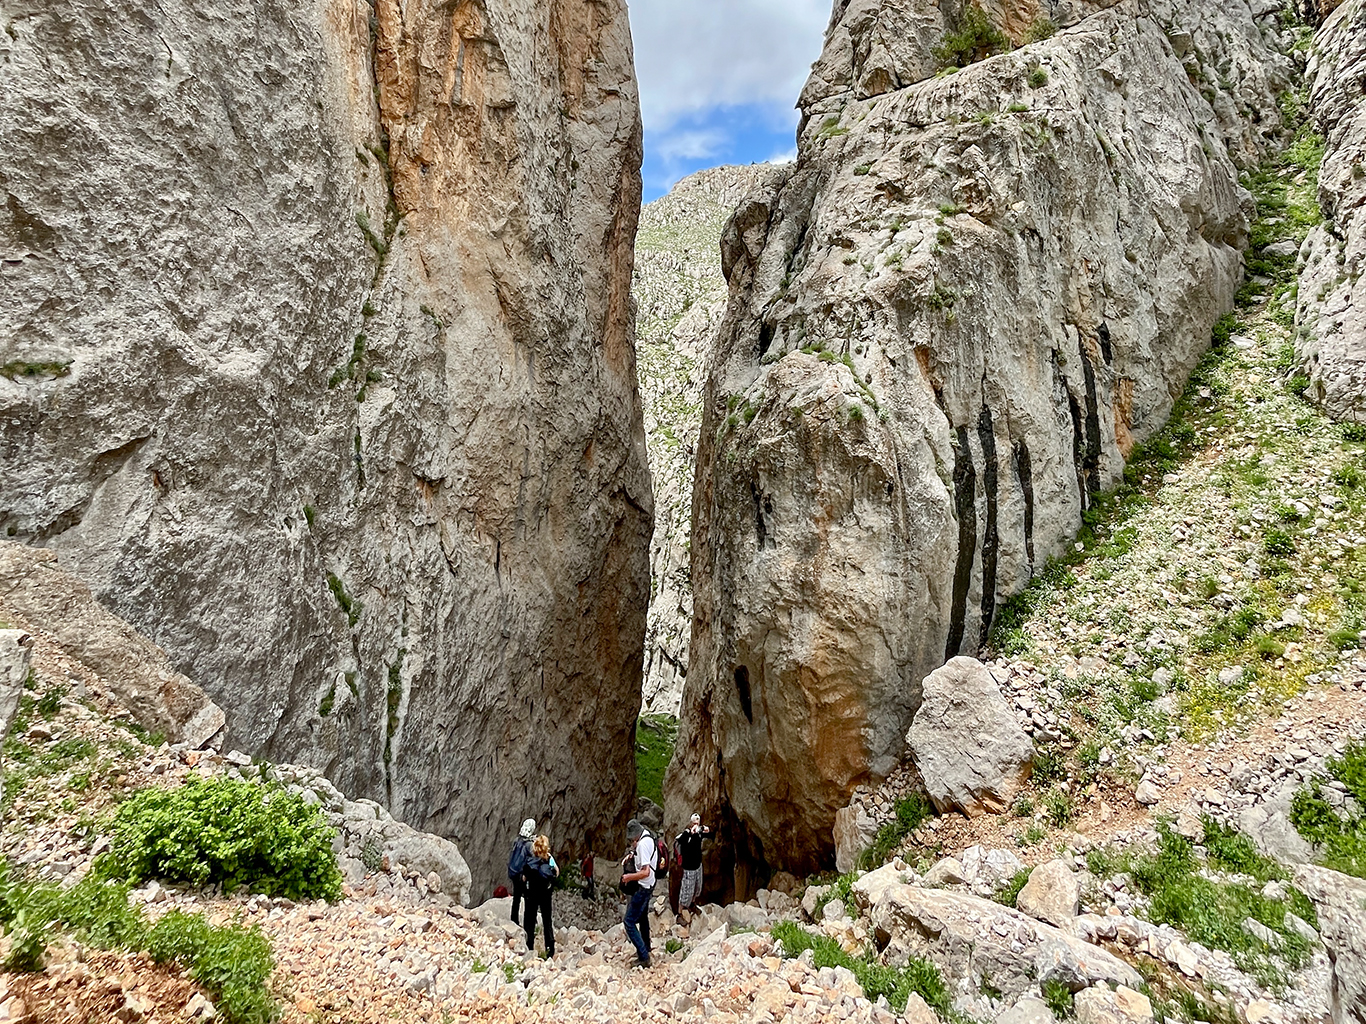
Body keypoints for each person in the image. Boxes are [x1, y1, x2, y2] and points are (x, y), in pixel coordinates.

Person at [620, 818, 657, 968]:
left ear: (635, 836)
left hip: (644, 886)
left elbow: (645, 872)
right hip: (651, 883)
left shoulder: (642, 845)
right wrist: (632, 854)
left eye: (631, 839)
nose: (631, 841)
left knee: (629, 922)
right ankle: (646, 946)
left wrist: (629, 877)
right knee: (642, 917)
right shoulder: (648, 835)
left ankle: (643, 956)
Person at [523, 834, 558, 957]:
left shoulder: (530, 860)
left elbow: (524, 877)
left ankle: (529, 947)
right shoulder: (549, 859)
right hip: (545, 894)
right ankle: (550, 950)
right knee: (547, 921)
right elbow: (556, 872)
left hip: (532, 894)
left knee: (529, 921)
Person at [675, 813, 712, 913]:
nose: (696, 825)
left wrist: (705, 829)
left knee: (697, 888)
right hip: (688, 868)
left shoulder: (699, 832)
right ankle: (680, 913)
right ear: (691, 823)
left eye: (697, 822)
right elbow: (680, 840)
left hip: (698, 865)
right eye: (694, 823)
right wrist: (690, 833)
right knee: (686, 891)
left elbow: (710, 834)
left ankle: (692, 904)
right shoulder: (686, 834)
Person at [507, 818, 535, 925]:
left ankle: (514, 919)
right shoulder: (529, 845)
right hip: (522, 875)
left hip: (514, 872)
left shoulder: (516, 840)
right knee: (528, 898)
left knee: (517, 897)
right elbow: (532, 861)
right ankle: (528, 922)